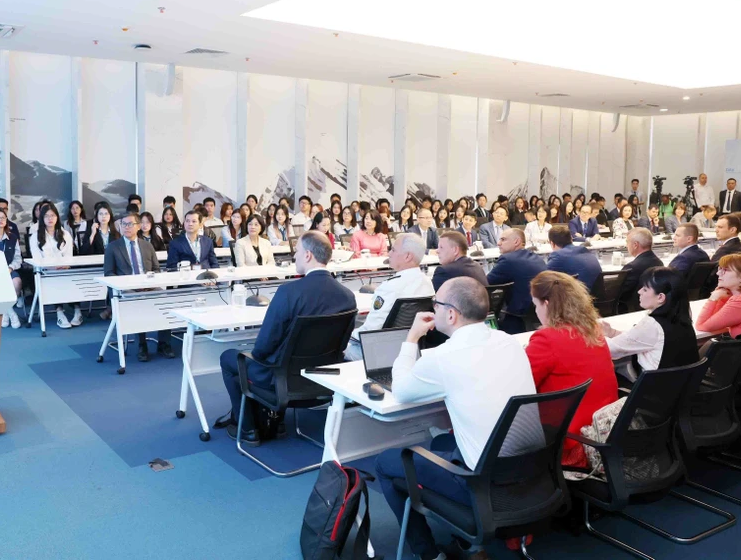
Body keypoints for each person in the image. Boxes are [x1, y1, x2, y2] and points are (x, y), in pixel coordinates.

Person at [375, 277, 536, 560]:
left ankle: (429, 554)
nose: (433, 310)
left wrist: (411, 338)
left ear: (450, 314)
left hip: (482, 485)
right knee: (441, 446)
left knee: (386, 462)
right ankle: (471, 547)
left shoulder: (444, 357)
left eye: (435, 304)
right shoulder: (508, 341)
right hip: (531, 476)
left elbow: (400, 390)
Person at [217, 232, 356, 444]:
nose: (294, 257)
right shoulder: (347, 295)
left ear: (308, 255)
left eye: (297, 251)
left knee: (230, 358)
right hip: (323, 380)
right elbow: (342, 344)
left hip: (283, 381)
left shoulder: (288, 292)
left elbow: (263, 348)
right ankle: (273, 421)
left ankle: (247, 428)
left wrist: (258, 357)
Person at [525, 271, 618, 468]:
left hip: (572, 441)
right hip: (604, 432)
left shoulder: (547, 339)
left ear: (547, 304)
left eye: (536, 305)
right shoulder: (592, 329)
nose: (535, 312)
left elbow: (520, 384)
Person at [345, 234, 435, 360]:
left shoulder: (390, 286)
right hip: (411, 349)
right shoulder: (427, 282)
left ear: (408, 256)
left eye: (393, 250)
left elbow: (371, 330)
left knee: (339, 347)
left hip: (378, 354)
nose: (389, 253)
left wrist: (347, 336)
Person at [104, 212, 175, 361]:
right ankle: (141, 345)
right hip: (126, 289)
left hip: (149, 286)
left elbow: (156, 269)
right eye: (124, 224)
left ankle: (164, 343)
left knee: (166, 300)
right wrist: (129, 284)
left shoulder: (147, 245)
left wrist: (149, 283)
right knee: (137, 302)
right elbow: (109, 274)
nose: (126, 227)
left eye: (130, 224)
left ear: (138, 226)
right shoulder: (113, 247)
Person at [602, 267, 700, 374]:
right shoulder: (682, 317)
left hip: (655, 388)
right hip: (680, 385)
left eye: (645, 289)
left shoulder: (652, 325)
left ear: (660, 297)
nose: (639, 292)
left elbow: (611, 349)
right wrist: (612, 333)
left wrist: (597, 334)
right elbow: (639, 338)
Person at [30, 202, 83, 329]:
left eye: (53, 215)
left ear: (57, 217)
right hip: (46, 272)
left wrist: (64, 265)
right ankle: (60, 313)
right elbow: (37, 259)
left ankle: (77, 311)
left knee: (71, 278)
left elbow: (69, 256)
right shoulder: (35, 237)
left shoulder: (65, 234)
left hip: (65, 269)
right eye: (47, 216)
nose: (50, 219)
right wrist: (53, 267)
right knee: (55, 280)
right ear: (42, 219)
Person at [486, 229, 546, 333]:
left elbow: (485, 283)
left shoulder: (508, 260)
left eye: (503, 239)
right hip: (537, 316)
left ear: (516, 242)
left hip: (516, 319)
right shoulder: (537, 258)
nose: (498, 243)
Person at [619, 228, 665, 312]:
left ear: (635, 245)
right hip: (653, 307)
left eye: (627, 242)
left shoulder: (632, 267)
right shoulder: (659, 262)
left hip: (633, 310)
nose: (626, 245)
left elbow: (619, 293)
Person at [545, 225, 601, 290]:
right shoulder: (585, 250)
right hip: (600, 298)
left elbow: (544, 280)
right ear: (571, 239)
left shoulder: (558, 256)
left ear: (552, 243)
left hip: (579, 298)